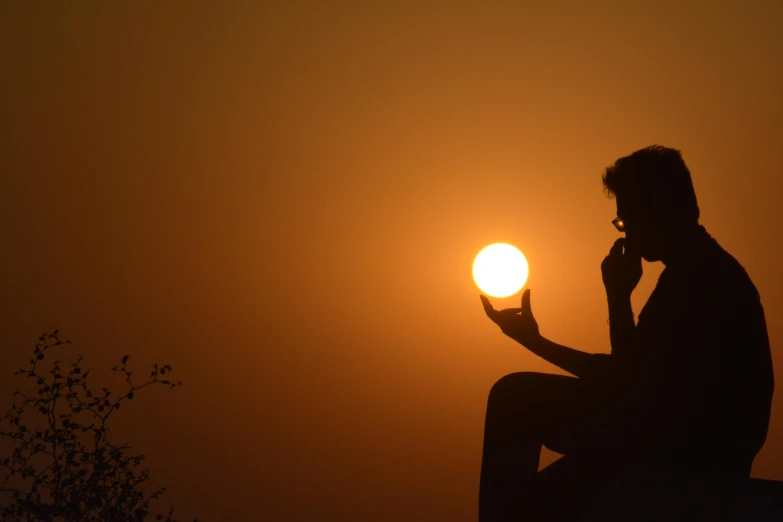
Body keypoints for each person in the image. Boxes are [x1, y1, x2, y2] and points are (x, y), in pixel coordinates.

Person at [478, 145, 775, 522]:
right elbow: (634, 373)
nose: (626, 233)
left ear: (658, 212)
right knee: (527, 477)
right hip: (670, 441)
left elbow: (627, 381)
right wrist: (534, 341)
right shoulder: (696, 271)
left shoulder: (702, 280)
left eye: (626, 220)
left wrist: (617, 298)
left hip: (684, 456)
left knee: (514, 397)